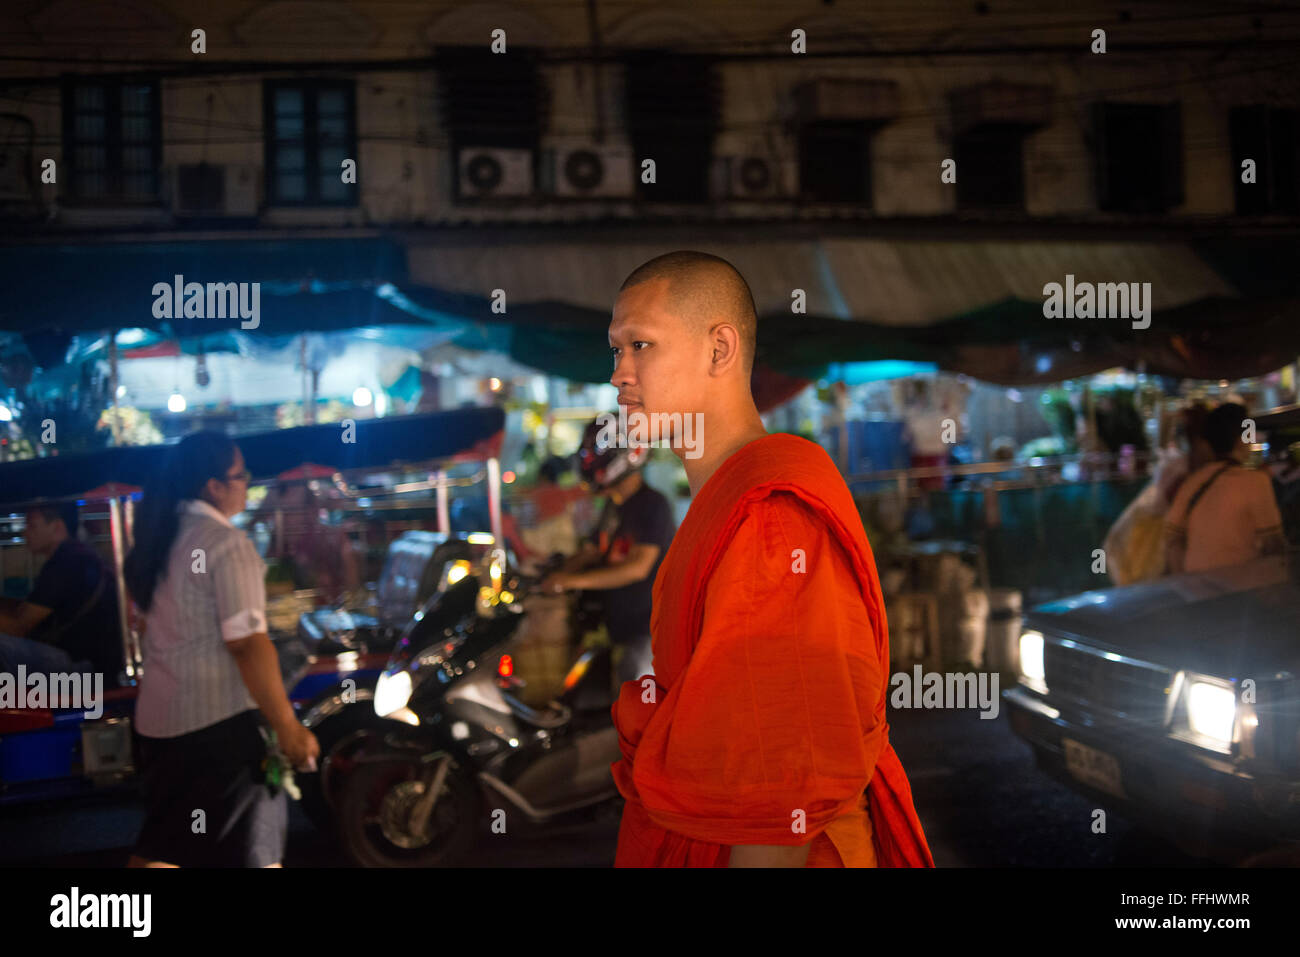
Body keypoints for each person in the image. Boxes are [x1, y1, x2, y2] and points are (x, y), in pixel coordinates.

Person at [605, 250, 933, 868]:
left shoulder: (769, 517)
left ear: (719, 349)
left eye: (640, 346)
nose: (619, 374)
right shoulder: (724, 496)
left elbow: (777, 794)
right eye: (615, 351)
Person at [124, 432, 320, 868]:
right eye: (241, 475)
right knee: (255, 852)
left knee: (165, 846)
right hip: (219, 728)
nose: (248, 483)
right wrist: (287, 726)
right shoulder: (225, 544)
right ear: (213, 486)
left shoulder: (160, 538)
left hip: (160, 727)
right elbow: (248, 645)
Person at [541, 419, 676, 687]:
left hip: (646, 631)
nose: (589, 463)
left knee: (638, 711)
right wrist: (555, 574)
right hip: (614, 625)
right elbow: (592, 550)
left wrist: (569, 581)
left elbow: (638, 567)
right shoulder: (614, 505)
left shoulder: (652, 504)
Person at [0, 501, 122, 682]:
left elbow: (20, 625)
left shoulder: (67, 562)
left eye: (32, 526)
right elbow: (27, 609)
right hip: (92, 663)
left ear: (57, 528)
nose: (25, 533)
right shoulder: (76, 555)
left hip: (84, 669)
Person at [1165, 402, 1287, 574]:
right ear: (1240, 440)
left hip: (1196, 589)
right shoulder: (1256, 482)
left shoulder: (1193, 481)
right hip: (1241, 588)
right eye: (1249, 433)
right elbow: (1274, 545)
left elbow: (1172, 538)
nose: (1253, 439)